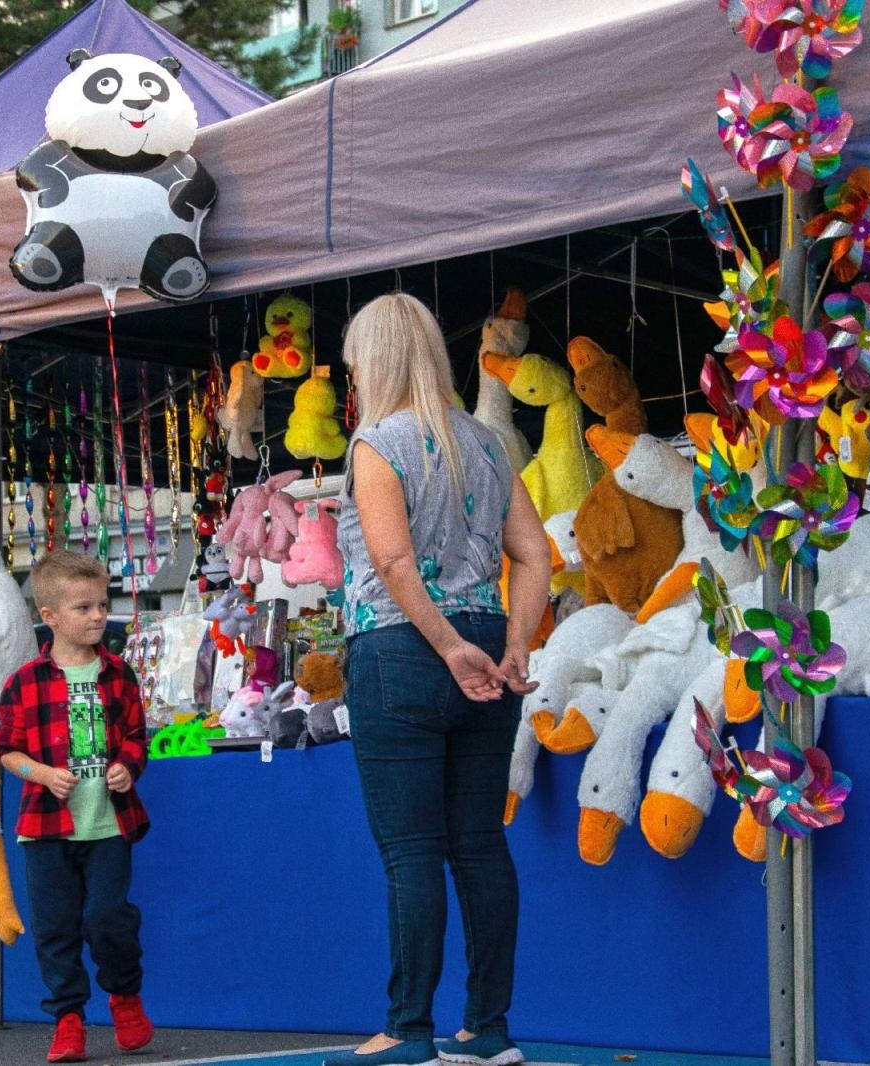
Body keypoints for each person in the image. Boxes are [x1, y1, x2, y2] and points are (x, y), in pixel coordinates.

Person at [326, 293, 551, 1066]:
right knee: (481, 846)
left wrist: (449, 643)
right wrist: (514, 642)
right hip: (488, 643)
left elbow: (390, 562)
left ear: (372, 361)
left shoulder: (375, 443)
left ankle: (408, 1029)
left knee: (411, 852)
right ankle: (488, 1029)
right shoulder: (487, 442)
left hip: (402, 652)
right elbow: (536, 553)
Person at [0, 550, 153, 1064]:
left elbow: (136, 738)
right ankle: (67, 1020)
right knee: (55, 928)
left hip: (108, 824)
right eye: (83, 607)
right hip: (45, 829)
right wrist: (41, 774)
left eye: (102, 604)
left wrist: (128, 766)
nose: (97, 616)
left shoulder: (120, 676)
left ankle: (125, 997)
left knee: (109, 918)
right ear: (51, 617)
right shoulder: (23, 683)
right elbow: (7, 750)